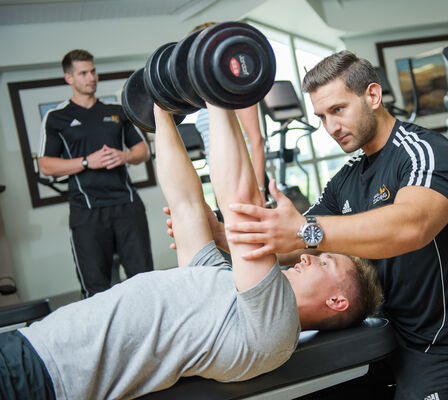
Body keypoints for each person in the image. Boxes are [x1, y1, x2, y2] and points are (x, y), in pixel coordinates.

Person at [0, 101, 383, 400]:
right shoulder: (229, 284)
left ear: (337, 301)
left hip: (41, 377)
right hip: (31, 345)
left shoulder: (275, 328)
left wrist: (218, 99)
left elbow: (240, 203)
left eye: (325, 260)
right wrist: (160, 114)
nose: (306, 255)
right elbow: (184, 203)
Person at [224, 50, 448, 400]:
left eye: (338, 110)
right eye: (322, 117)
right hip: (386, 330)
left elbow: (411, 226)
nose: (331, 127)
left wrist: (304, 230)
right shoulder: (346, 178)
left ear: (372, 96)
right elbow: (291, 240)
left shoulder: (424, 152)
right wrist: (226, 238)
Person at [38, 49, 153, 298]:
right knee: (96, 289)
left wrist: (124, 156)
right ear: (69, 78)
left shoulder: (117, 110)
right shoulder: (56, 117)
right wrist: (86, 162)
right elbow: (46, 165)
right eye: (83, 73)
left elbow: (143, 150)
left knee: (144, 281)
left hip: (127, 206)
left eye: (93, 71)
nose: (91, 77)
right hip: (86, 212)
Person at [191, 22, 268, 205]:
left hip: (245, 181)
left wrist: (259, 190)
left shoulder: (237, 89)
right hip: (221, 181)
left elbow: (256, 140)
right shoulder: (207, 97)